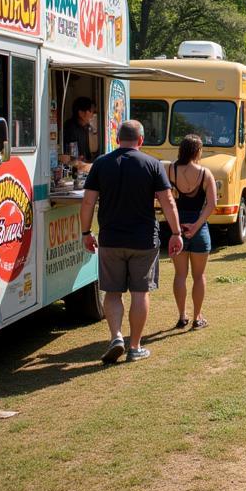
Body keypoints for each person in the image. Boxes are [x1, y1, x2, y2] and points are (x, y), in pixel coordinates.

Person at [81, 120, 183, 363]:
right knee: (140, 291)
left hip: (111, 238)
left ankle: (116, 336)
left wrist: (86, 232)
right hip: (144, 239)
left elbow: (88, 202)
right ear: (141, 140)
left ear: (117, 139)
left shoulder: (101, 164)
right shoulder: (152, 164)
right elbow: (168, 201)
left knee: (113, 291)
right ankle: (135, 346)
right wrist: (177, 232)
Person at [166, 134, 217, 330]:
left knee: (180, 275)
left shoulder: (171, 169)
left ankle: (181, 316)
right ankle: (197, 317)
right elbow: (211, 204)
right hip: (199, 228)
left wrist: (177, 227)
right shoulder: (205, 173)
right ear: (197, 151)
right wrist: (196, 225)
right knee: (199, 276)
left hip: (177, 227)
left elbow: (166, 199)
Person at [62, 96, 96, 166]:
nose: (92, 114)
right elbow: (73, 158)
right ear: (81, 113)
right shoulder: (70, 128)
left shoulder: (86, 127)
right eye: (90, 111)